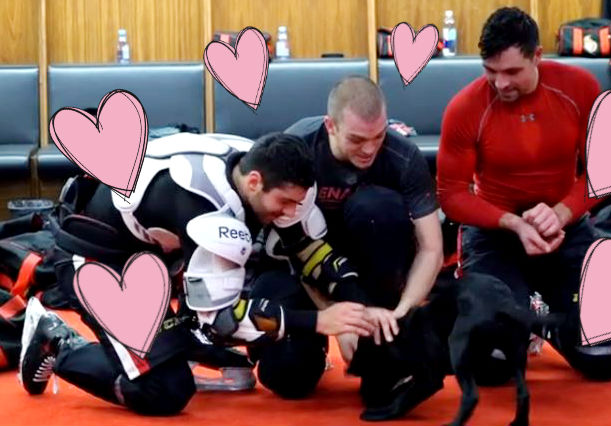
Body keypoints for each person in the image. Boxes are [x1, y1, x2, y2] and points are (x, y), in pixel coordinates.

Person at [19, 132, 377, 415]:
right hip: (101, 261)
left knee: (219, 338)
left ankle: (174, 341)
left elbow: (307, 247)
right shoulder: (208, 208)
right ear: (254, 182)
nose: (289, 212)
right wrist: (318, 322)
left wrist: (361, 303)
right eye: (283, 202)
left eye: (296, 202)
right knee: (165, 390)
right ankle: (58, 341)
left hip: (157, 254)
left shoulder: (261, 166)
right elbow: (222, 320)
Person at [437, 6, 611, 385]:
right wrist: (511, 222)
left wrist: (561, 213)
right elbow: (451, 194)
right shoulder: (465, 107)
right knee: (490, 368)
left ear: (537, 56)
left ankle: (541, 322)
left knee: (606, 361)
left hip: (565, 228)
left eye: (512, 72)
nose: (500, 83)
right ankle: (520, 316)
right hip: (496, 233)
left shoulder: (579, 89)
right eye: (490, 71)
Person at [284, 75, 449, 420]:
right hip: (310, 262)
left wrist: (401, 313)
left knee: (379, 208)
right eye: (357, 139)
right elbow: (290, 246)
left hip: (375, 264)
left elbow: (431, 249)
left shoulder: (403, 156)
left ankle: (379, 346)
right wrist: (340, 319)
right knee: (288, 378)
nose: (370, 149)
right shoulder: (298, 149)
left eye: (378, 137)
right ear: (331, 125)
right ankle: (323, 348)